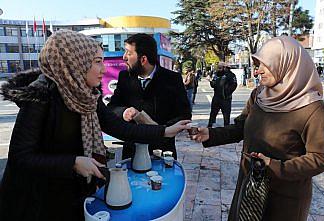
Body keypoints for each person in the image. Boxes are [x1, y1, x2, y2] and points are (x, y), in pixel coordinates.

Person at [0, 30, 190, 221]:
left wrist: (164, 131)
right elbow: (20, 157)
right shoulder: (40, 97)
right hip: (36, 202)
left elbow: (118, 127)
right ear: (76, 62)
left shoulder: (87, 94)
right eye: (97, 62)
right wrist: (73, 162)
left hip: (71, 194)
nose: (104, 69)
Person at [191, 36, 324, 221]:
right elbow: (241, 127)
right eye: (257, 65)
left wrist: (276, 167)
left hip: (284, 197)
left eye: (264, 65)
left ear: (286, 64)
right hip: (249, 184)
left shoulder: (313, 108)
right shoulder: (258, 95)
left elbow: (322, 157)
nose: (257, 71)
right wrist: (210, 134)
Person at [107, 33, 191, 160]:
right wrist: (124, 112)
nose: (124, 57)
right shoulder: (125, 77)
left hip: (162, 151)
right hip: (132, 152)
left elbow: (184, 114)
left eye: (129, 53)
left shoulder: (172, 79)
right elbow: (112, 107)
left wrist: (160, 128)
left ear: (143, 59)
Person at [207, 62, 237, 127]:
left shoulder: (231, 75)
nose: (219, 69)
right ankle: (209, 127)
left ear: (225, 68)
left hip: (226, 99)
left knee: (226, 116)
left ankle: (226, 129)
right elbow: (213, 85)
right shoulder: (216, 74)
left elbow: (234, 85)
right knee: (213, 113)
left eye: (220, 67)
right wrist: (210, 81)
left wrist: (226, 93)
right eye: (218, 67)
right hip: (216, 97)